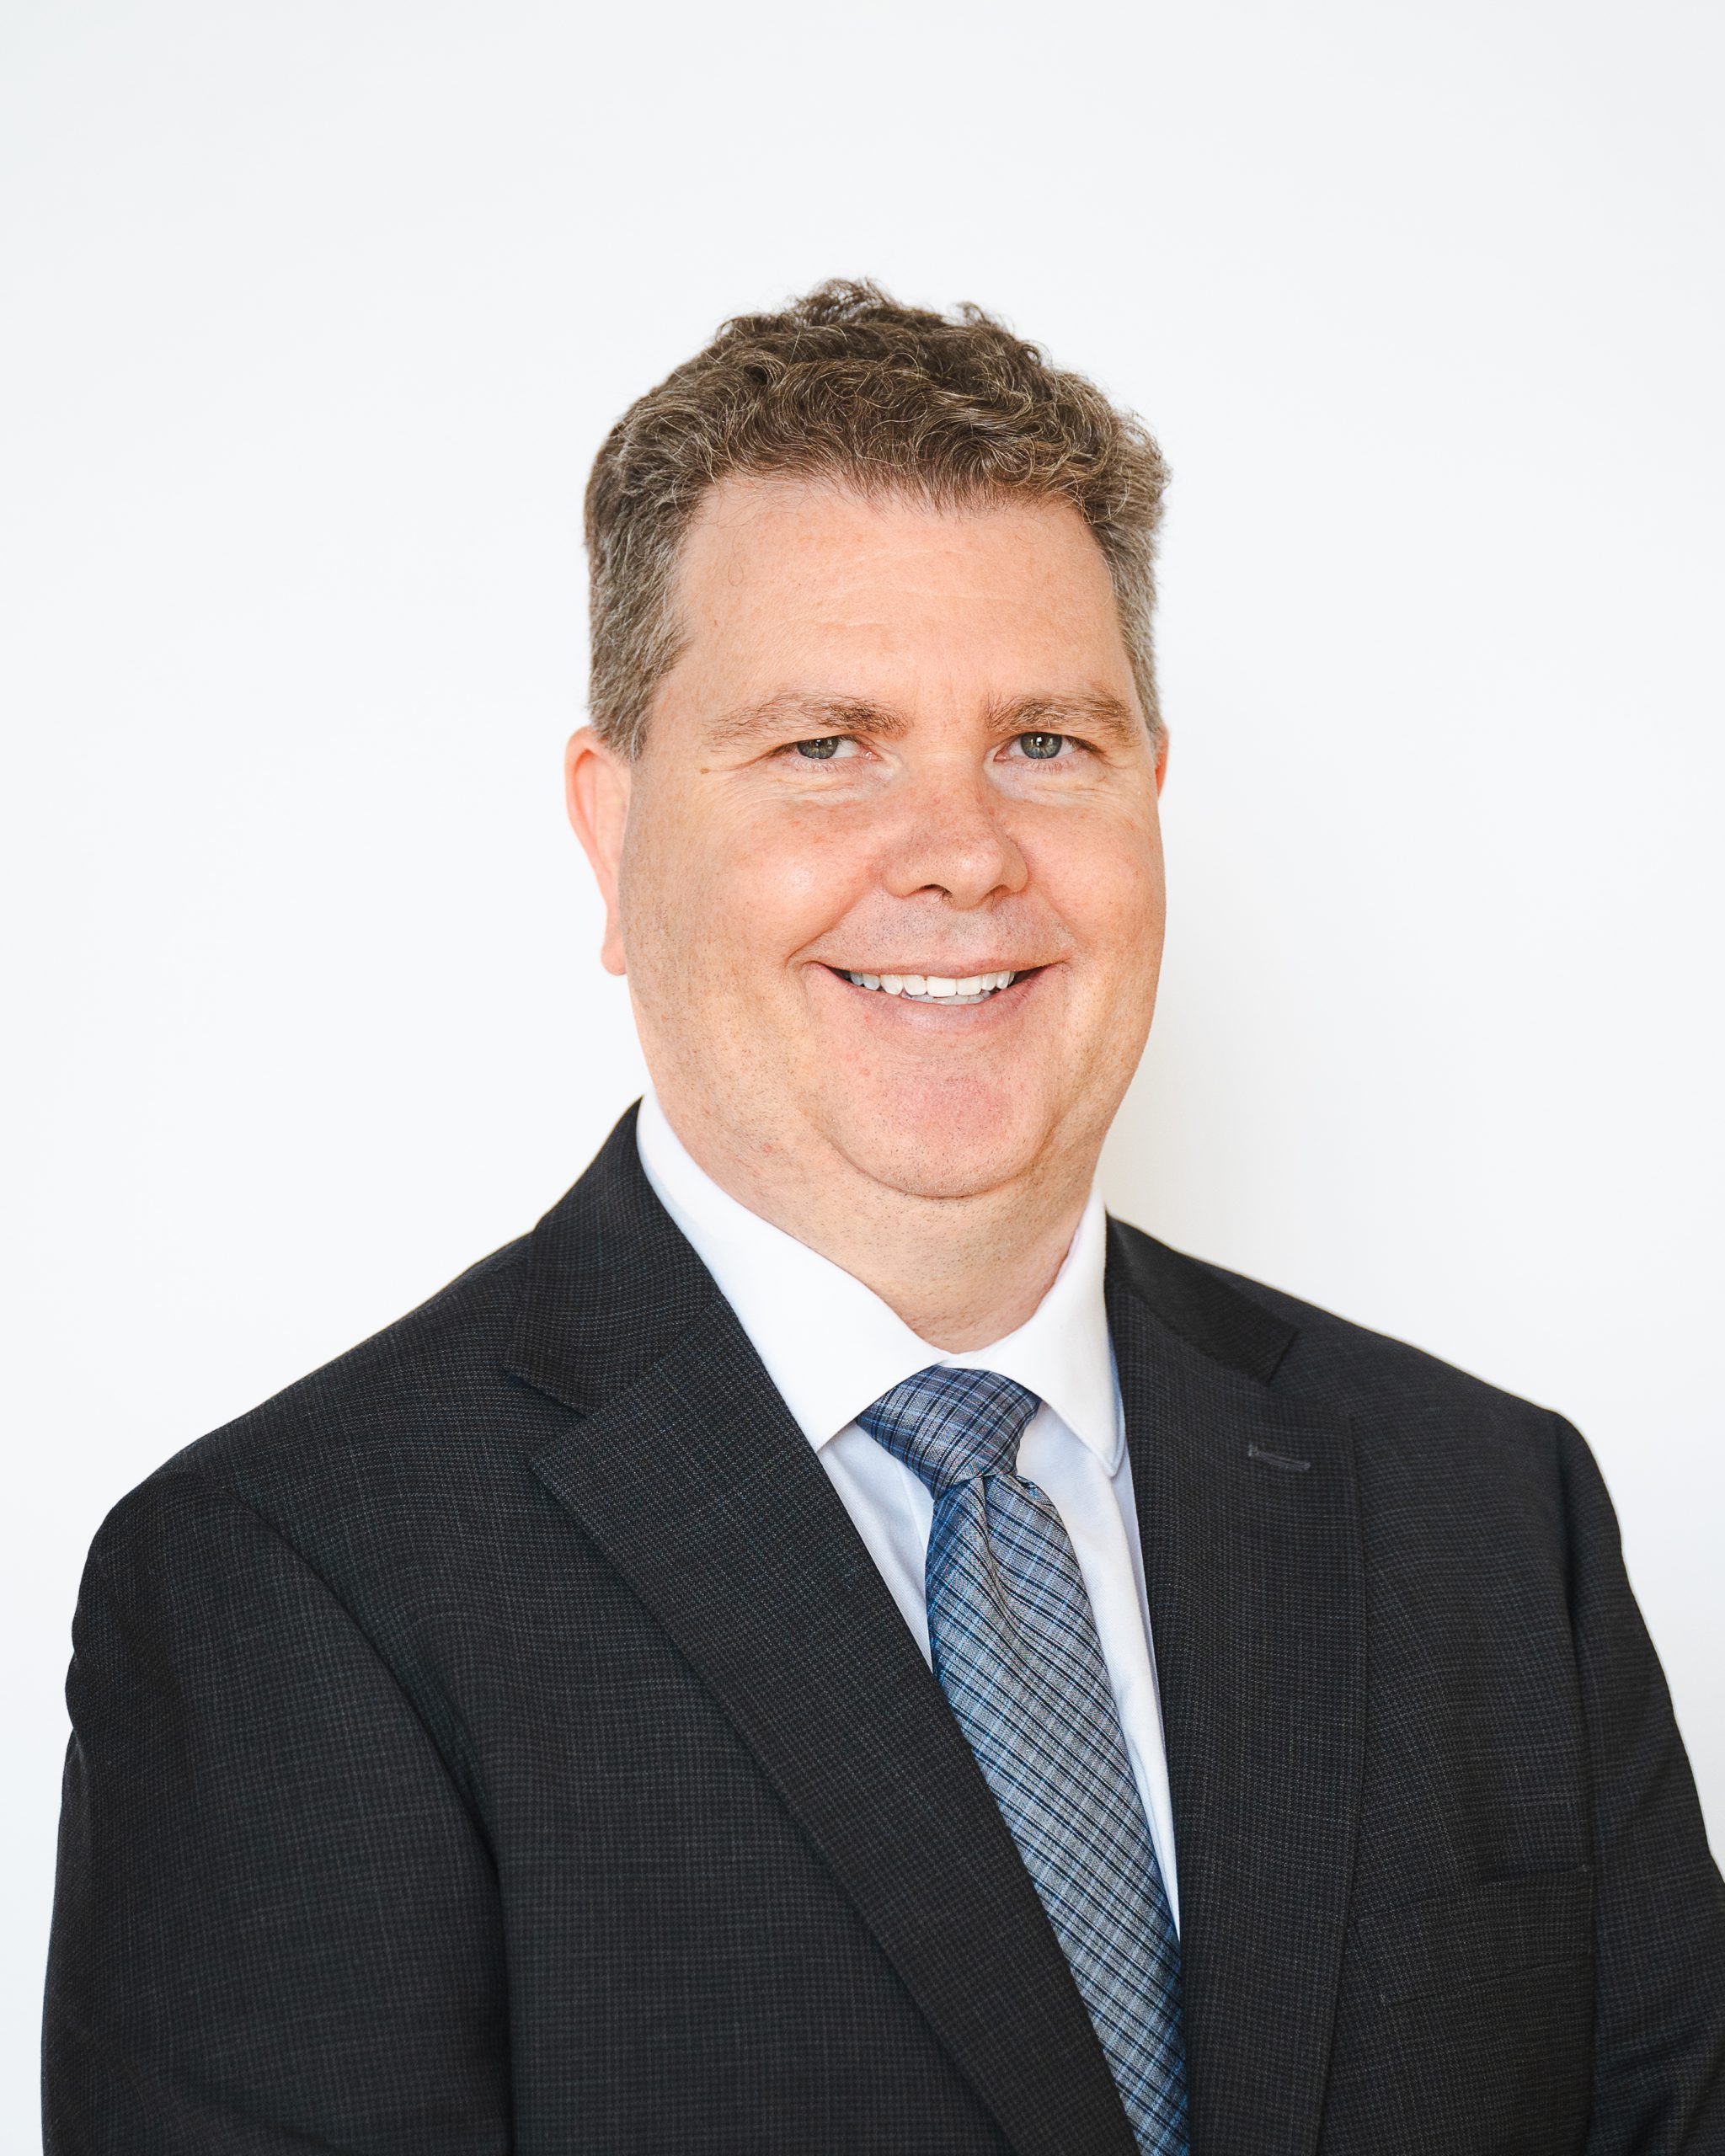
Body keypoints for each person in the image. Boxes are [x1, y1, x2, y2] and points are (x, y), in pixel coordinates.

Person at [43, 279, 1723, 2155]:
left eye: (1045, 743)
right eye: (825, 745)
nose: (961, 852)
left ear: (1151, 797)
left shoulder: (1490, 1515)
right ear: (612, 831)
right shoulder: (292, 1583)